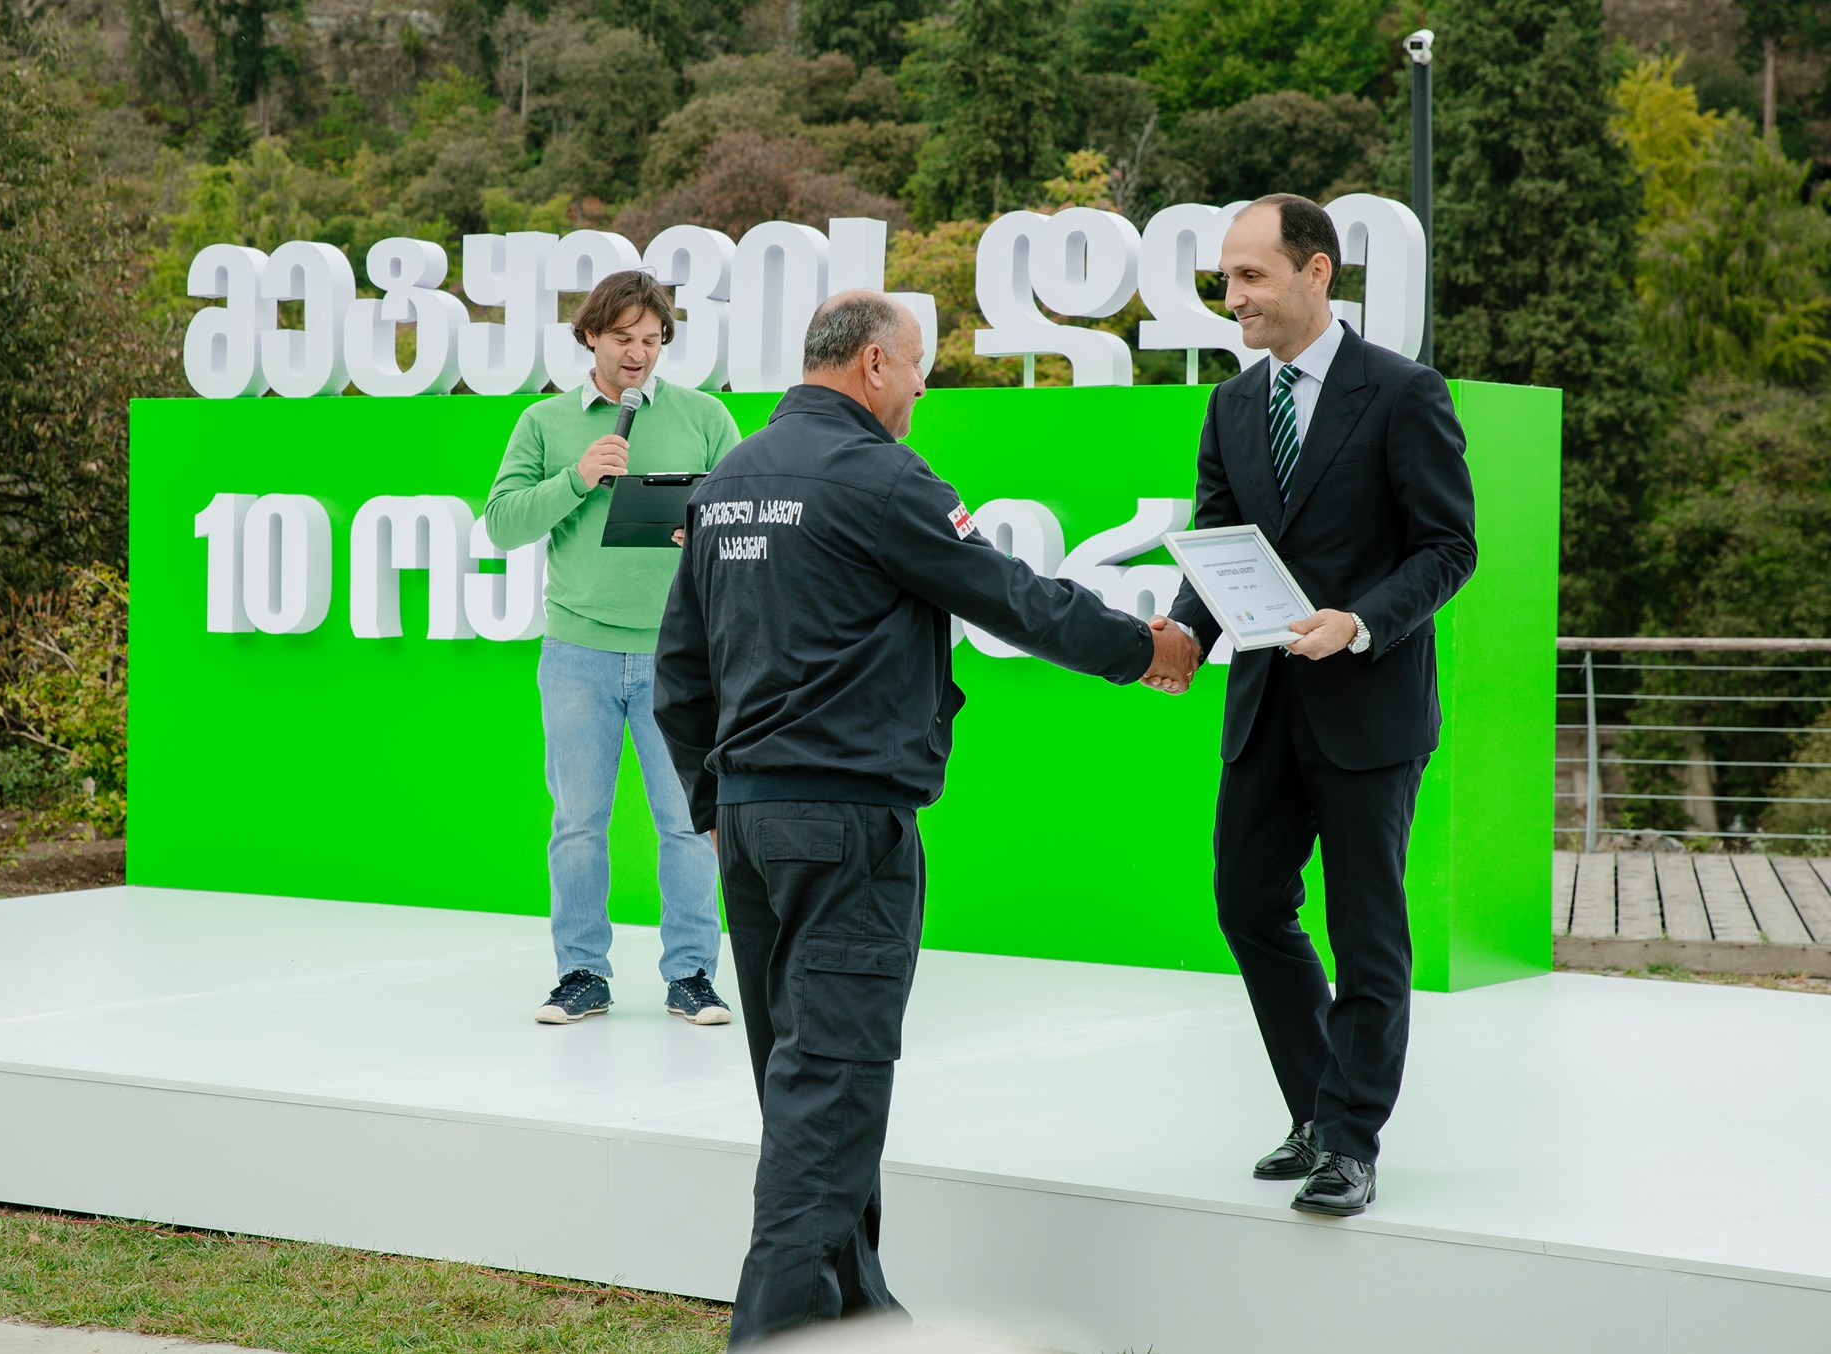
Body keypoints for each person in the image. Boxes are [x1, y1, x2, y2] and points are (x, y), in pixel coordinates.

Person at [653, 290, 1179, 1346]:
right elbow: (1013, 596)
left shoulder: (729, 482)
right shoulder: (882, 479)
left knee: (806, 1090)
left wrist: (715, 806)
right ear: (873, 366)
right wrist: (1142, 648)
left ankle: (857, 1316)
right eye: (917, 368)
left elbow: (680, 670)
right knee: (830, 1090)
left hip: (750, 829)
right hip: (844, 824)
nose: (922, 389)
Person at [1147, 193, 1477, 1217]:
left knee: (1366, 931)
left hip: (1369, 709)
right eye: (1225, 278)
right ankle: (1316, 1108)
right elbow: (1215, 543)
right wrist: (1182, 633)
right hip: (1263, 706)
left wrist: (1361, 621)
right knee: (1246, 905)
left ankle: (1349, 1140)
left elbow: (1448, 548)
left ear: (1316, 271)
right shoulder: (1230, 406)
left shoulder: (1403, 392)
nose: (1231, 296)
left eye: (1249, 275)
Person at [483, 269, 743, 1027]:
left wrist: (703, 532)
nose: (639, 353)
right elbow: (501, 524)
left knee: (689, 824)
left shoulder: (705, 416)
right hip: (577, 654)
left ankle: (692, 975)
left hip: (680, 659)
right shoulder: (543, 422)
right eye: (624, 338)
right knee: (577, 825)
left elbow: (746, 517)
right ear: (590, 335)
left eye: (653, 340)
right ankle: (581, 975)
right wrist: (578, 477)